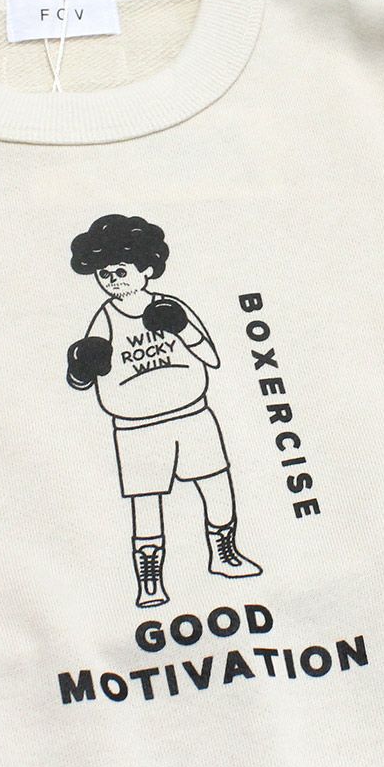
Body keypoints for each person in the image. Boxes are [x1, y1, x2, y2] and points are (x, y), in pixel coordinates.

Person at [66, 214, 262, 608]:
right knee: (145, 504)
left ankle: (224, 554)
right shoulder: (105, 318)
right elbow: (81, 381)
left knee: (216, 486)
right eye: (105, 274)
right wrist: (82, 365)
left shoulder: (170, 307)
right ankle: (150, 580)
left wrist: (181, 327)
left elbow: (212, 358)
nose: (113, 280)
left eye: (121, 271)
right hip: (136, 430)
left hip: (192, 416)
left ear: (146, 269)